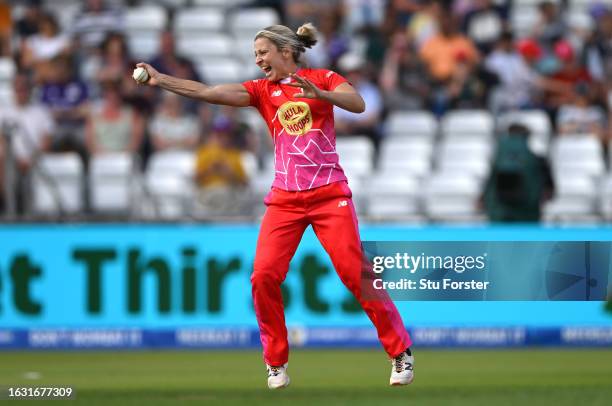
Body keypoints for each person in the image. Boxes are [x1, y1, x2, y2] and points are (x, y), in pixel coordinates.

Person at [134, 22, 413, 389]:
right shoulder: (262, 91)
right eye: (255, 54)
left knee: (354, 272)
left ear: (285, 50)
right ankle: (275, 362)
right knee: (263, 275)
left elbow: (358, 104)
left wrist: (322, 94)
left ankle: (399, 352)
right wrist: (161, 80)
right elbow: (208, 91)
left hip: (330, 193)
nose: (258, 59)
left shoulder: (323, 77)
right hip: (285, 199)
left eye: (263, 52)